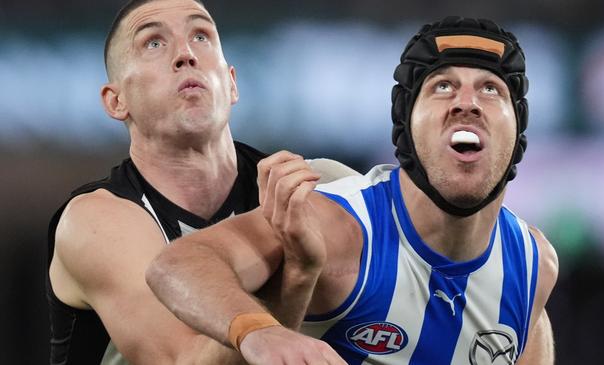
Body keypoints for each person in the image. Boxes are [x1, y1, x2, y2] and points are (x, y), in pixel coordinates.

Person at [147, 16, 559, 365]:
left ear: (518, 132)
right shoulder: (340, 226)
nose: (466, 103)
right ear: (406, 130)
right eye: (442, 87)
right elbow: (178, 266)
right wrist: (259, 333)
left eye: (491, 89)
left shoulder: (532, 266)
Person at [46, 0, 352, 363]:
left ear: (232, 84)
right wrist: (298, 275)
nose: (185, 54)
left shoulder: (320, 185)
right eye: (154, 43)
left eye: (201, 36)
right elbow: (185, 359)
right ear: (116, 101)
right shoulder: (95, 223)